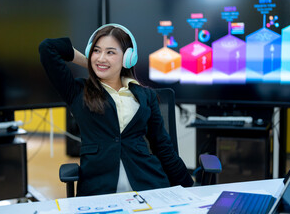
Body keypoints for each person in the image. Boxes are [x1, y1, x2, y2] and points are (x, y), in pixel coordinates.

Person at [39, 23, 194, 196]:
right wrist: (90, 63)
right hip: (98, 191)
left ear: (128, 58)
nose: (101, 58)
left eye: (110, 52)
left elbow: (162, 146)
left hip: (149, 185)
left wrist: (189, 188)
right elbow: (47, 48)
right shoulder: (77, 91)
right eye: (96, 51)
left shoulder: (146, 96)